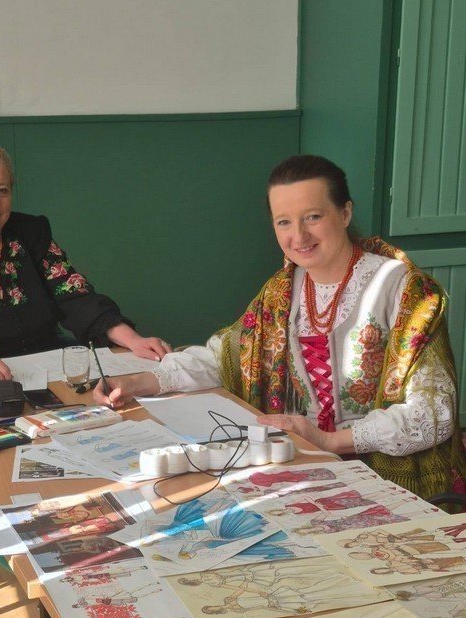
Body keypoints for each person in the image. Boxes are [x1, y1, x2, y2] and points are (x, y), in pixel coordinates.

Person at [94, 154, 466, 497]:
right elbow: (226, 356)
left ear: (345, 213)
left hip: (389, 476)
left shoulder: (405, 289)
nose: (299, 236)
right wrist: (138, 382)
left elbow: (435, 412)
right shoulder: (282, 290)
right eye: (284, 222)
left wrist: (330, 440)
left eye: (313, 217)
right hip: (302, 463)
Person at [0, 135, 171, 382]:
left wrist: (132, 339)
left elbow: (74, 294)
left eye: (2, 189)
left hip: (47, 369)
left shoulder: (30, 233)